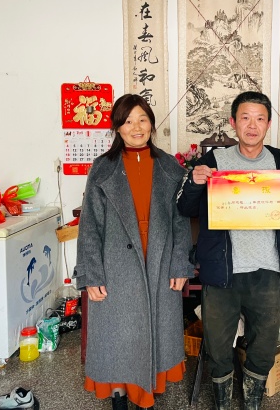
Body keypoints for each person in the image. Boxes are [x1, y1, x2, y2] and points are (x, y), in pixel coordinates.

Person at [177, 91, 280, 410]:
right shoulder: (213, 162)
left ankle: (252, 400)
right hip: (222, 271)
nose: (252, 125)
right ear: (233, 122)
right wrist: (195, 182)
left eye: (260, 118)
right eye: (245, 118)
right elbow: (185, 208)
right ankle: (223, 403)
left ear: (268, 124)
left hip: (267, 270)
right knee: (217, 344)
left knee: (263, 343)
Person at [74, 94, 193, 410]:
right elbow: (89, 226)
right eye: (128, 121)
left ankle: (146, 394)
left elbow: (181, 223)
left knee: (154, 331)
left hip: (159, 263)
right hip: (114, 267)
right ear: (117, 127)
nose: (136, 127)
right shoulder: (103, 168)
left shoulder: (170, 166)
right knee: (118, 337)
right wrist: (91, 275)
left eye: (142, 119)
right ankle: (119, 396)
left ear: (151, 124)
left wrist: (180, 264)